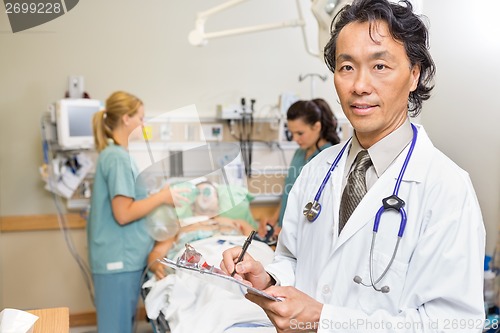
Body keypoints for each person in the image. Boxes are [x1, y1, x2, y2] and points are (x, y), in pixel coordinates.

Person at [222, 0, 485, 332]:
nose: (359, 85)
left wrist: (326, 320)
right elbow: (292, 259)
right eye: (347, 67)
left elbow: (455, 324)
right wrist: (267, 276)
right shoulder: (317, 171)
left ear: (414, 74)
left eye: (380, 66)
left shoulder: (446, 188)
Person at [88, 91, 187, 333]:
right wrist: (162, 197)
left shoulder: (120, 156)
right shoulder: (117, 158)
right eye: (141, 118)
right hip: (118, 260)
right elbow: (123, 213)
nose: (144, 124)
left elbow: (133, 203)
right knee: (115, 329)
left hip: (126, 258)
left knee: (122, 326)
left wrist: (159, 196)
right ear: (126, 119)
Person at [258, 99, 341, 241]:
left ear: (317, 127)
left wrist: (289, 231)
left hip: (305, 236)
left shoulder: (330, 158)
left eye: (300, 133)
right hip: (283, 232)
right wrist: (274, 220)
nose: (295, 139)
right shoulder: (299, 153)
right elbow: (289, 192)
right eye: (292, 133)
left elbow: (320, 208)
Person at [148, 181, 256, 280]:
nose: (205, 193)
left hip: (235, 262)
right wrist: (157, 266)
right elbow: (157, 253)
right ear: (192, 206)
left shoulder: (237, 223)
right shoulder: (178, 226)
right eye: (198, 192)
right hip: (197, 265)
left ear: (218, 203)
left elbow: (259, 247)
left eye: (209, 190)